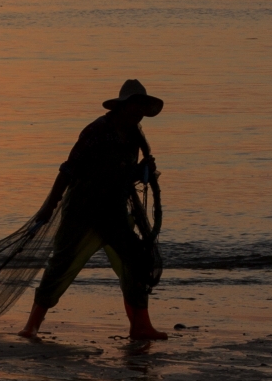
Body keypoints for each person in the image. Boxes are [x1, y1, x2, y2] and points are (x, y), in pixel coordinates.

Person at [18, 79, 170, 343]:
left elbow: (122, 173)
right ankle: (31, 326)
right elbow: (68, 170)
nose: (138, 113)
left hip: (113, 211)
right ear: (123, 106)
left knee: (135, 260)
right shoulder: (96, 131)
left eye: (141, 108)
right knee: (61, 263)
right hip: (82, 209)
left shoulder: (135, 135)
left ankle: (141, 326)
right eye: (135, 106)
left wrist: (142, 171)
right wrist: (48, 205)